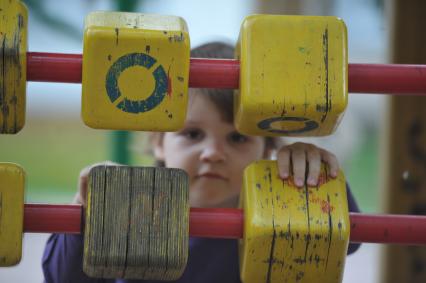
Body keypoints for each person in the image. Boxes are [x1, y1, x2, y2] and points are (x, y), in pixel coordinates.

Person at [42, 42, 360, 283]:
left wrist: (313, 178)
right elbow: (61, 277)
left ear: (267, 151)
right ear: (158, 142)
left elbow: (350, 240)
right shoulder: (131, 207)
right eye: (193, 134)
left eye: (237, 138)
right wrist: (85, 215)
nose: (212, 153)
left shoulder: (279, 214)